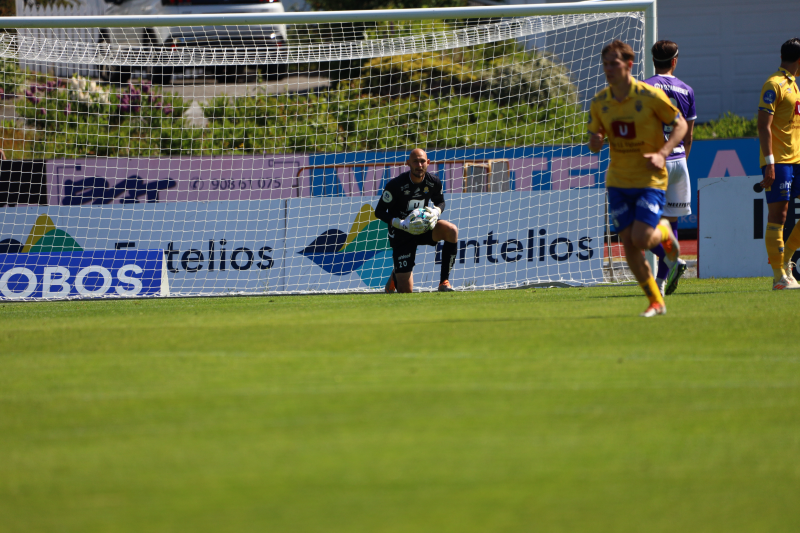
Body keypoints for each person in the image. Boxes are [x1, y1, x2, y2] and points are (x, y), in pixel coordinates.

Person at [587, 40, 688, 317]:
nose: (608, 68)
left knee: (642, 238)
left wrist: (663, 152)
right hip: (618, 181)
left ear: (629, 65)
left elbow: (680, 124)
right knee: (628, 243)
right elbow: (594, 141)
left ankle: (664, 232)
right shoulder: (600, 102)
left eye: (614, 63)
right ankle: (656, 301)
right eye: (605, 63)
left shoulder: (649, 95)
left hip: (649, 178)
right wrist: (595, 141)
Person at [643, 40, 695, 296]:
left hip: (656, 161)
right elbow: (689, 135)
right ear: (675, 61)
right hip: (679, 161)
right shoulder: (687, 90)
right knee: (670, 221)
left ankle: (672, 260)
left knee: (634, 226)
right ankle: (662, 283)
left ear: (653, 60)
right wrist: (682, 160)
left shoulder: (646, 87)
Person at [374, 148, 459, 293]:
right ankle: (397, 273)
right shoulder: (395, 185)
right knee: (406, 292)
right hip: (401, 232)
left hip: (423, 227)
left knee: (451, 230)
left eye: (422, 161)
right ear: (408, 163)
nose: (419, 165)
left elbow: (440, 202)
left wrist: (436, 211)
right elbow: (379, 211)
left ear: (428, 163)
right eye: (415, 162)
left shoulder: (434, 182)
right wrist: (400, 223)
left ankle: (444, 282)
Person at [757, 38, 800, 290]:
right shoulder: (773, 84)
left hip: (797, 160)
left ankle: (786, 263)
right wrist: (770, 163)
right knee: (779, 216)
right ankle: (778, 277)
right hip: (779, 161)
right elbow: (763, 126)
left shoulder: (794, 85)